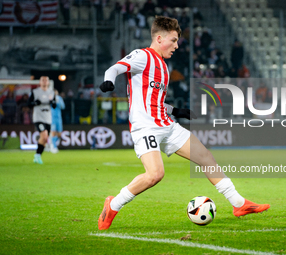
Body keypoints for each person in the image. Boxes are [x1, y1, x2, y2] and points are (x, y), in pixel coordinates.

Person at [98, 16, 270, 230]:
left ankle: (239, 204)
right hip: (145, 127)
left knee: (206, 157)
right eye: (173, 40)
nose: (177, 45)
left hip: (167, 125)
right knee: (155, 175)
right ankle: (113, 205)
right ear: (159, 38)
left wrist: (176, 111)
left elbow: (154, 101)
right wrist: (108, 81)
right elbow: (115, 68)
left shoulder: (163, 66)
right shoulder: (143, 56)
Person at [28, 76, 56, 164]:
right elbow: (28, 104)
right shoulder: (35, 92)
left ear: (48, 82)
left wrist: (53, 102)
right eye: (42, 80)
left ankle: (38, 156)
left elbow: (54, 106)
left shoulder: (51, 92)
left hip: (48, 118)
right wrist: (35, 103)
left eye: (46, 80)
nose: (44, 82)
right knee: (44, 136)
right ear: (40, 82)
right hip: (38, 117)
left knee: (45, 138)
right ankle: (37, 155)